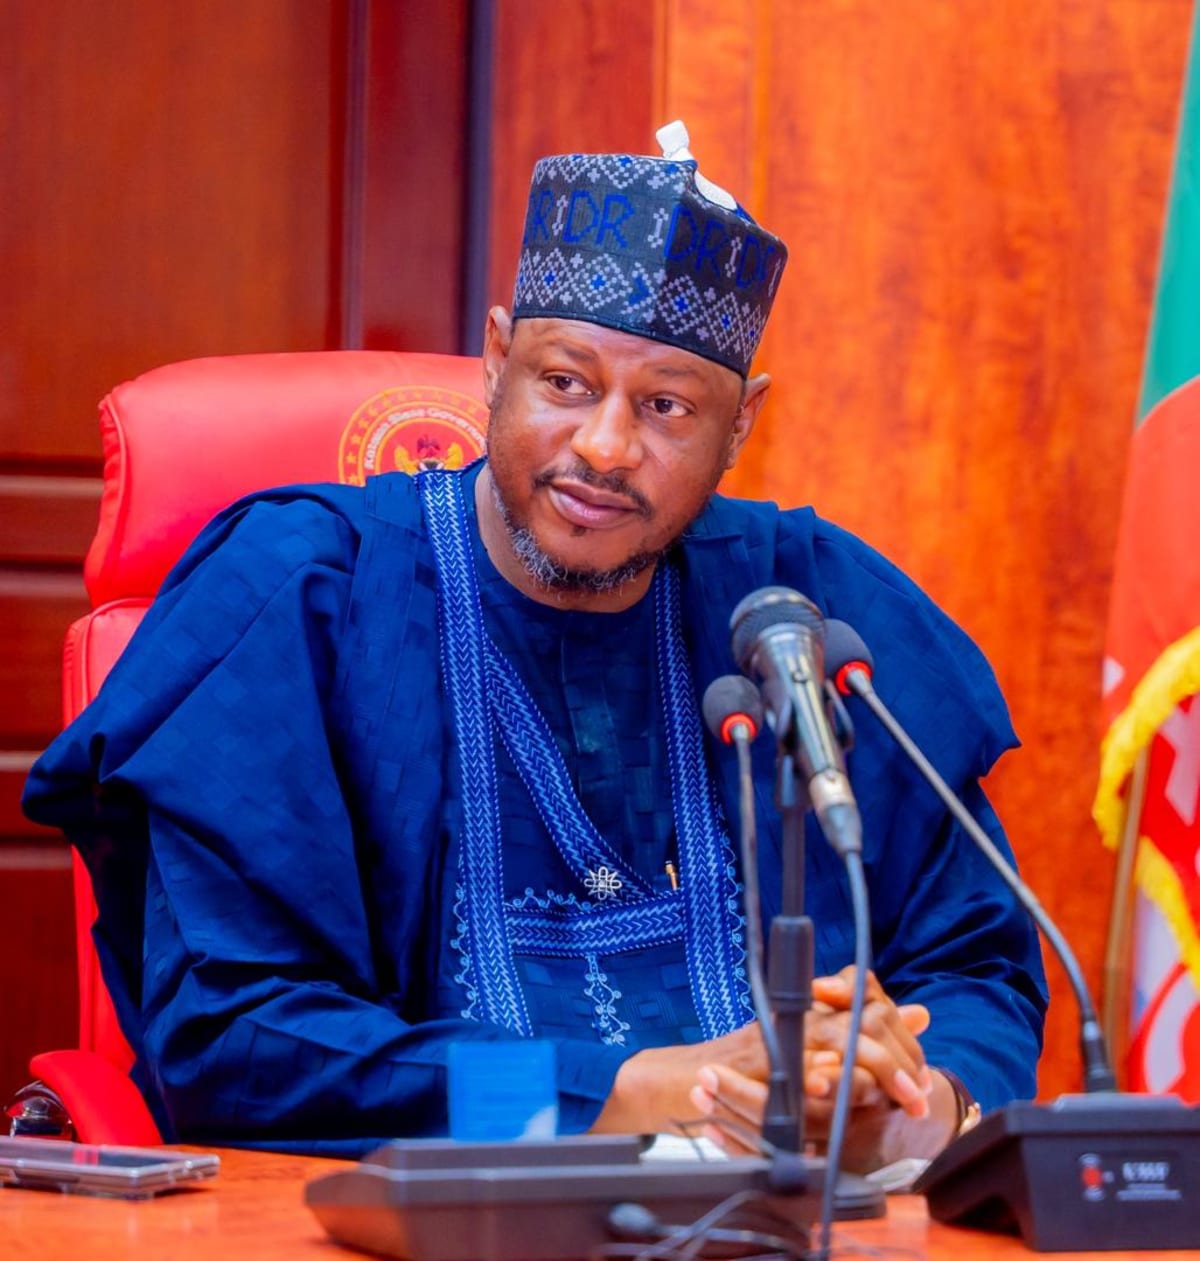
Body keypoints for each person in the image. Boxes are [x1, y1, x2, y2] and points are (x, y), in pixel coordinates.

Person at [24, 125, 1046, 1169]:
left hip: (798, 1215)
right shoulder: (301, 595)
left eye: (666, 406)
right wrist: (629, 1093)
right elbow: (237, 1041)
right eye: (565, 383)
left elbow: (978, 966)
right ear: (497, 359)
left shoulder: (808, 611)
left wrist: (912, 1103)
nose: (605, 447)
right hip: (414, 1213)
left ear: (741, 425)